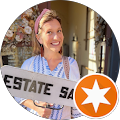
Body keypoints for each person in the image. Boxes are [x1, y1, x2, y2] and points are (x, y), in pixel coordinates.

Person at [15, 8, 82, 119]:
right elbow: (17, 94)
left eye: (59, 31)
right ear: (39, 38)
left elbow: (75, 106)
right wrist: (36, 107)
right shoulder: (29, 65)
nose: (56, 37)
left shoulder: (71, 65)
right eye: (49, 32)